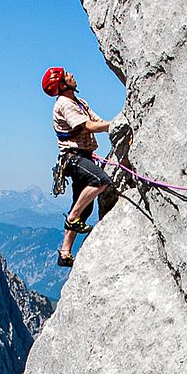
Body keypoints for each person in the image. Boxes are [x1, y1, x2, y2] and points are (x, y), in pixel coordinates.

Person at [41, 66, 117, 267]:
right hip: (74, 158)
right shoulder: (65, 104)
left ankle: (65, 253)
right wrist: (116, 123)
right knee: (101, 181)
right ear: (62, 84)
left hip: (81, 157)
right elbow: (89, 126)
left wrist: (113, 124)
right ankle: (72, 217)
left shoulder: (78, 102)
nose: (72, 75)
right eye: (67, 75)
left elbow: (97, 121)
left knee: (84, 207)